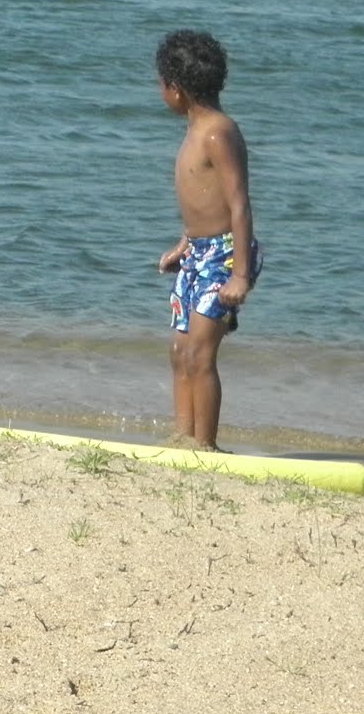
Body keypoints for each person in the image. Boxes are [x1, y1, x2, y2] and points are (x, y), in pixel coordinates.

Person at [154, 30, 262, 451]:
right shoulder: (196, 129)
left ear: (176, 89)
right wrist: (185, 243)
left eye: (161, 83)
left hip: (226, 255)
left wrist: (240, 275)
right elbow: (204, 200)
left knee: (200, 354)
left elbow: (238, 204)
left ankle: (205, 446)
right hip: (198, 253)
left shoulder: (218, 133)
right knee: (180, 351)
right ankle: (181, 438)